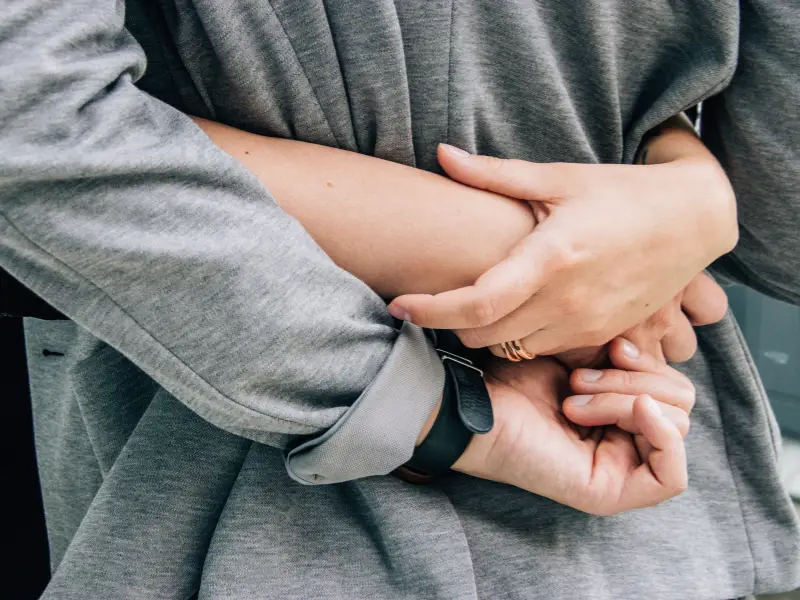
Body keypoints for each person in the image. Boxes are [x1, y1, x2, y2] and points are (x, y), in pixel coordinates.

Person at [1, 2, 798, 599]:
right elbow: (30, 116)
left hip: (624, 480)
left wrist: (686, 173)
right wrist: (487, 262)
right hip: (277, 513)